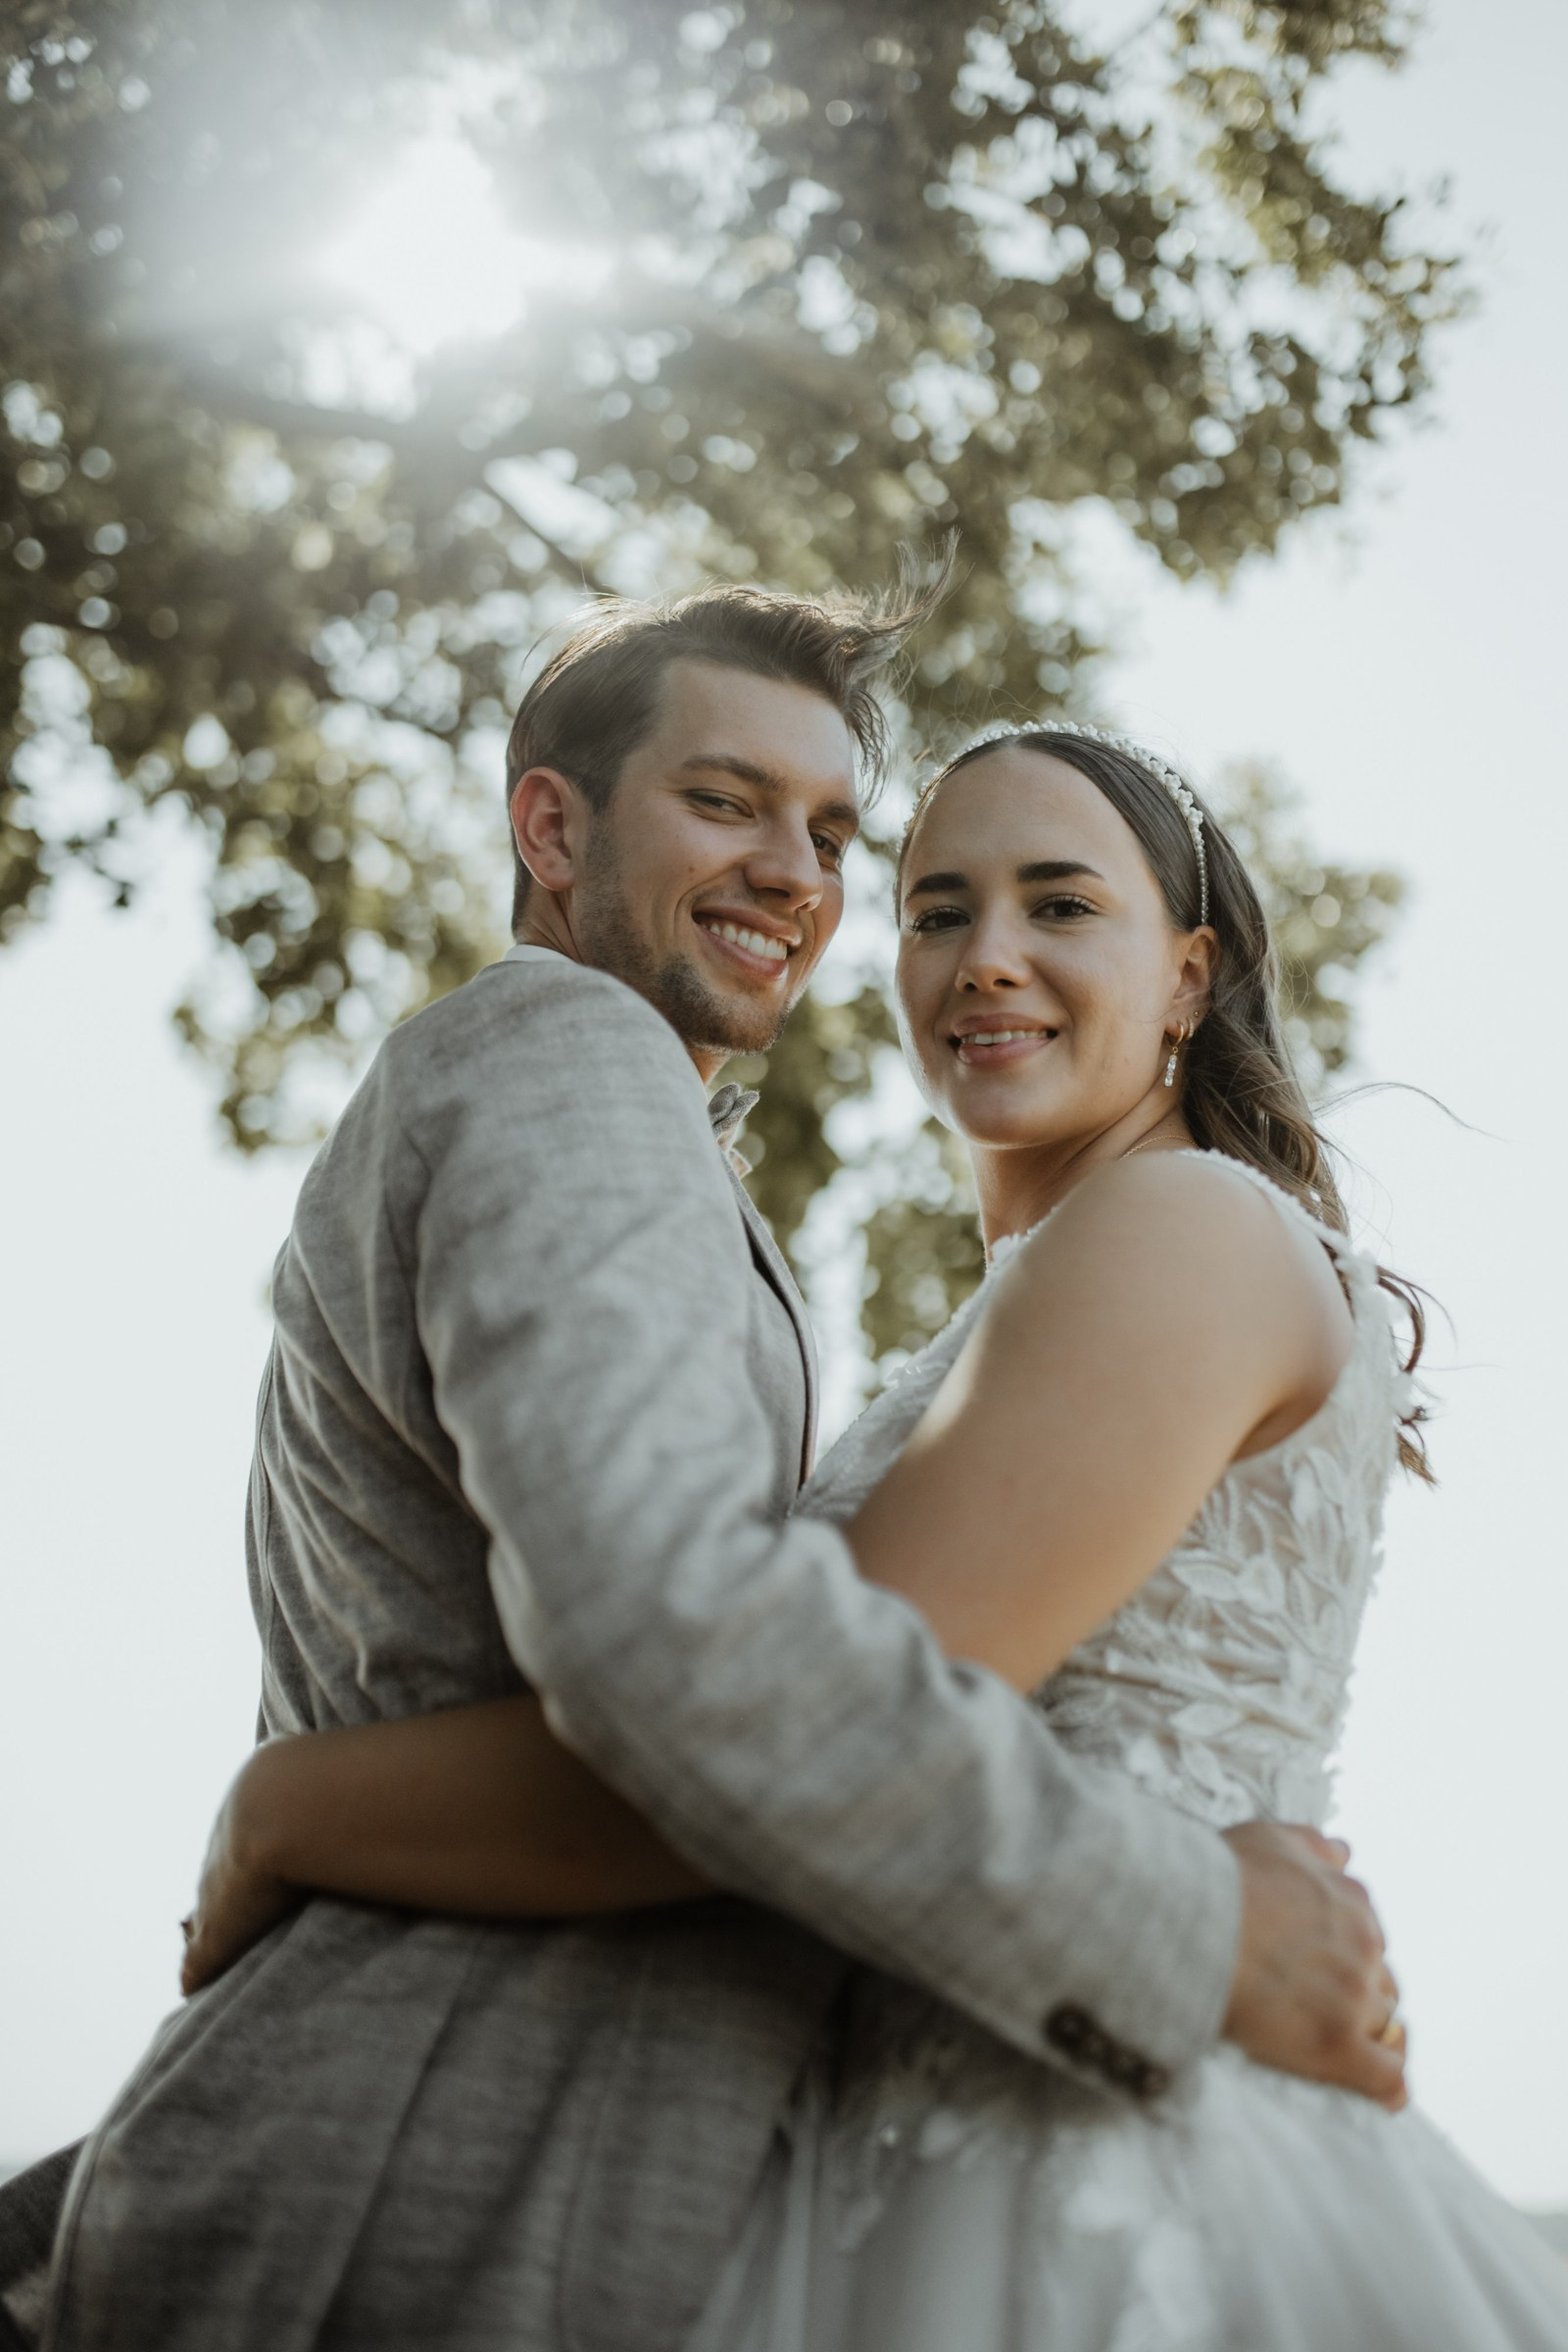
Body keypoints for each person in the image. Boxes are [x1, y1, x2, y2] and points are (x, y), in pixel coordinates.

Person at [13, 592, 1397, 2352]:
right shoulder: (574, 1058)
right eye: (731, 804)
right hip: (470, 2142)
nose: (809, 881)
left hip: (943, 2174)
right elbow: (708, 1669)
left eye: (830, 834)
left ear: (1191, 971)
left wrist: (292, 1808)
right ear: (551, 826)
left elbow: (723, 1675)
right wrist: (1197, 1930)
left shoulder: (1157, 1241)